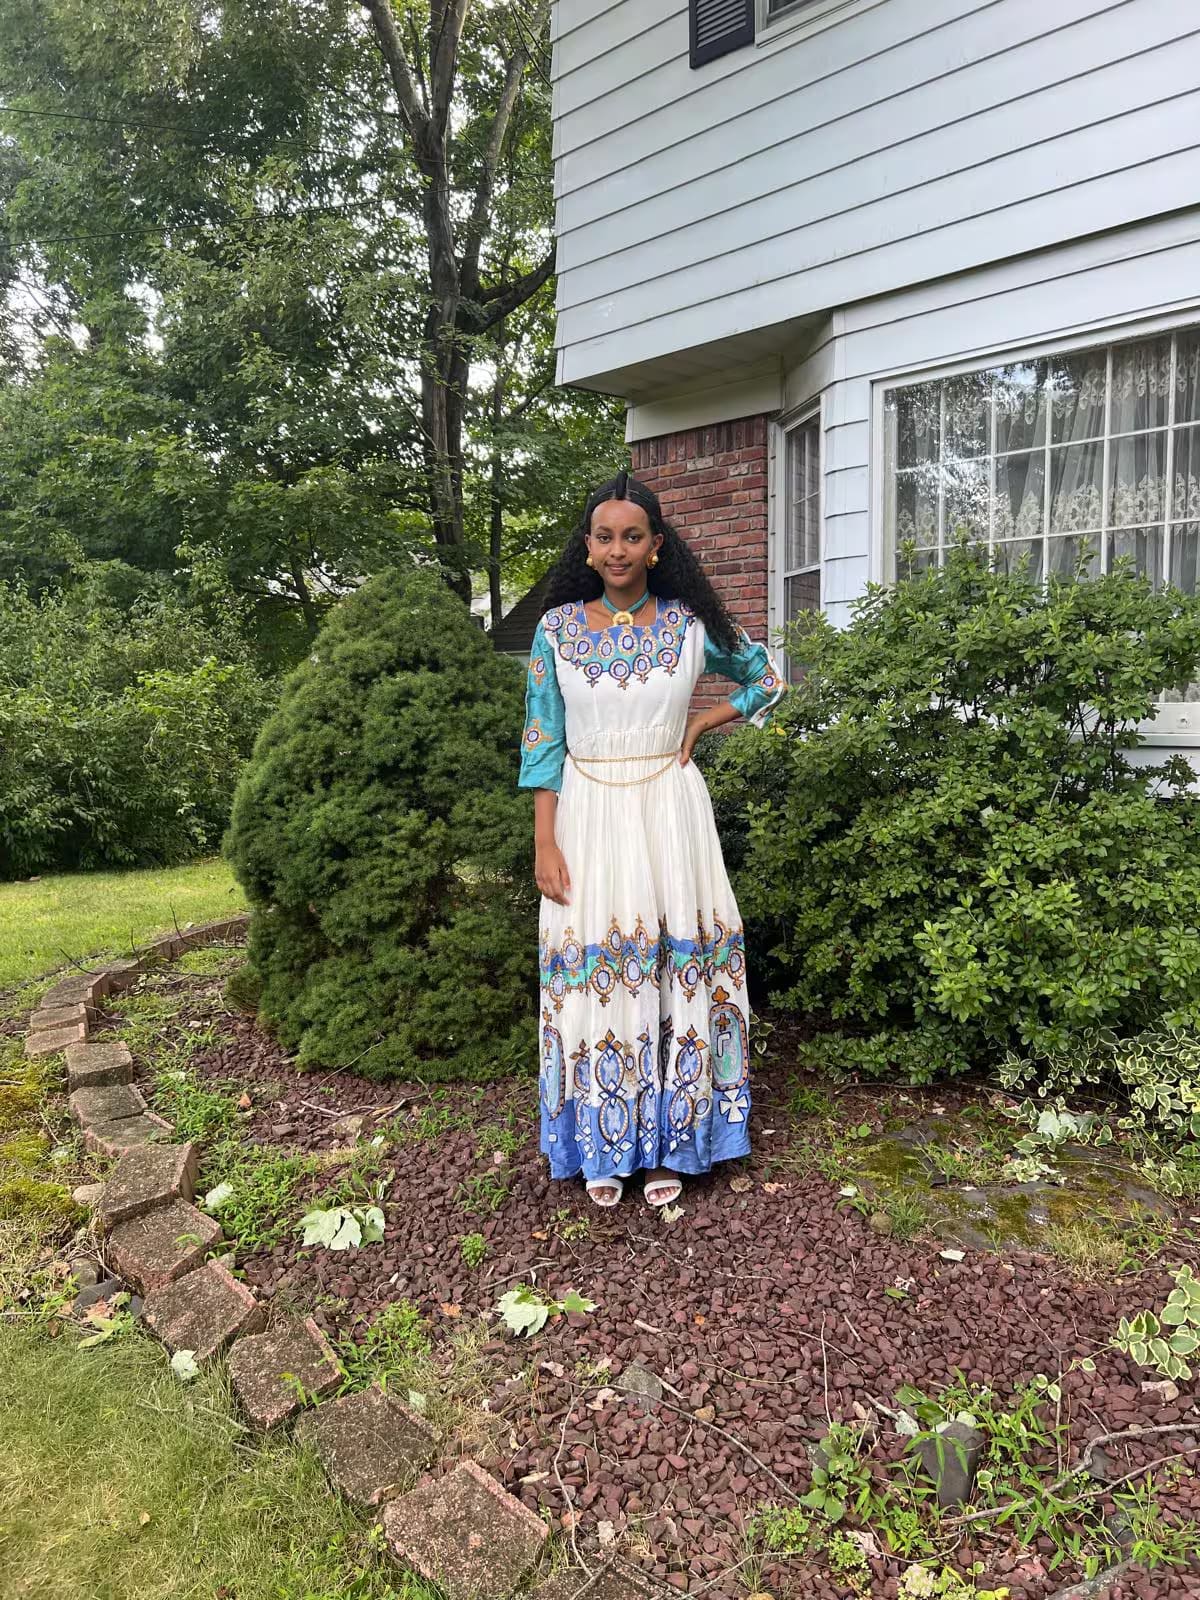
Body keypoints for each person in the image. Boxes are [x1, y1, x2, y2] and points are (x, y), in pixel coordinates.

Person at [518, 471, 786, 1209]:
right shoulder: (556, 631)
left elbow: (767, 678)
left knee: (673, 959)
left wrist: (705, 720)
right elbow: (542, 739)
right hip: (587, 814)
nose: (617, 550)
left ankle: (675, 1140)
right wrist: (544, 841)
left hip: (671, 809)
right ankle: (603, 1140)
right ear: (588, 546)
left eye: (632, 536)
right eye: (604, 537)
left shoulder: (690, 625)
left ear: (656, 545)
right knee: (596, 962)